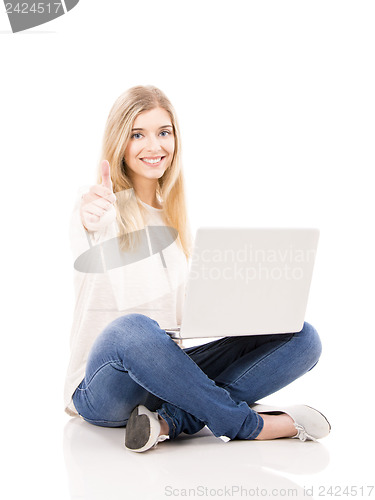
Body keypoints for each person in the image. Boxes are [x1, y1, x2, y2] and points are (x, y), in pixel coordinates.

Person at [64, 85, 330, 453]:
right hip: (104, 388)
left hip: (164, 378)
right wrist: (91, 213)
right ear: (119, 142)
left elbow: (184, 322)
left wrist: (249, 310)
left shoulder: (175, 224)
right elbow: (88, 225)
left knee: (303, 337)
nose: (154, 146)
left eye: (164, 133)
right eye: (137, 134)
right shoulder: (98, 205)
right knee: (132, 329)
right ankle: (247, 425)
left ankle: (168, 422)